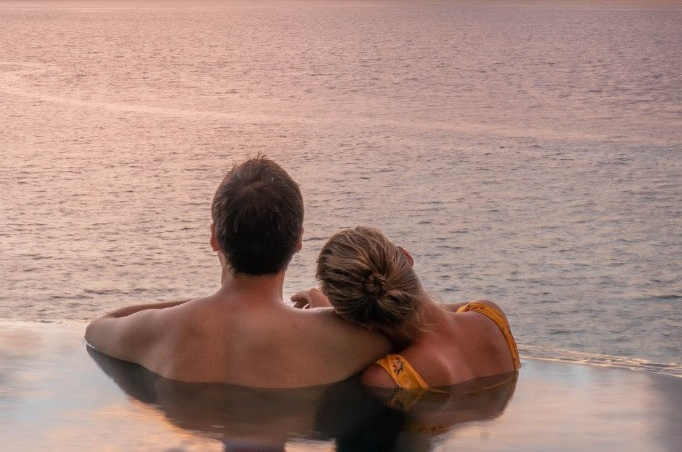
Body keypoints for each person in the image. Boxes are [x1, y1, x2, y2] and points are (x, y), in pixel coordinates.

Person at [85, 156, 390, 388]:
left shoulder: (162, 329)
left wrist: (195, 306)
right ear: (297, 240)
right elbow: (426, 327)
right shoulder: (345, 338)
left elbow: (99, 328)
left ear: (214, 237)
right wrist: (330, 310)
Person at [295, 226, 519, 394]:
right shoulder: (489, 315)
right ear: (407, 257)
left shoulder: (388, 379)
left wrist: (324, 310)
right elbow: (438, 320)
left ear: (360, 322)